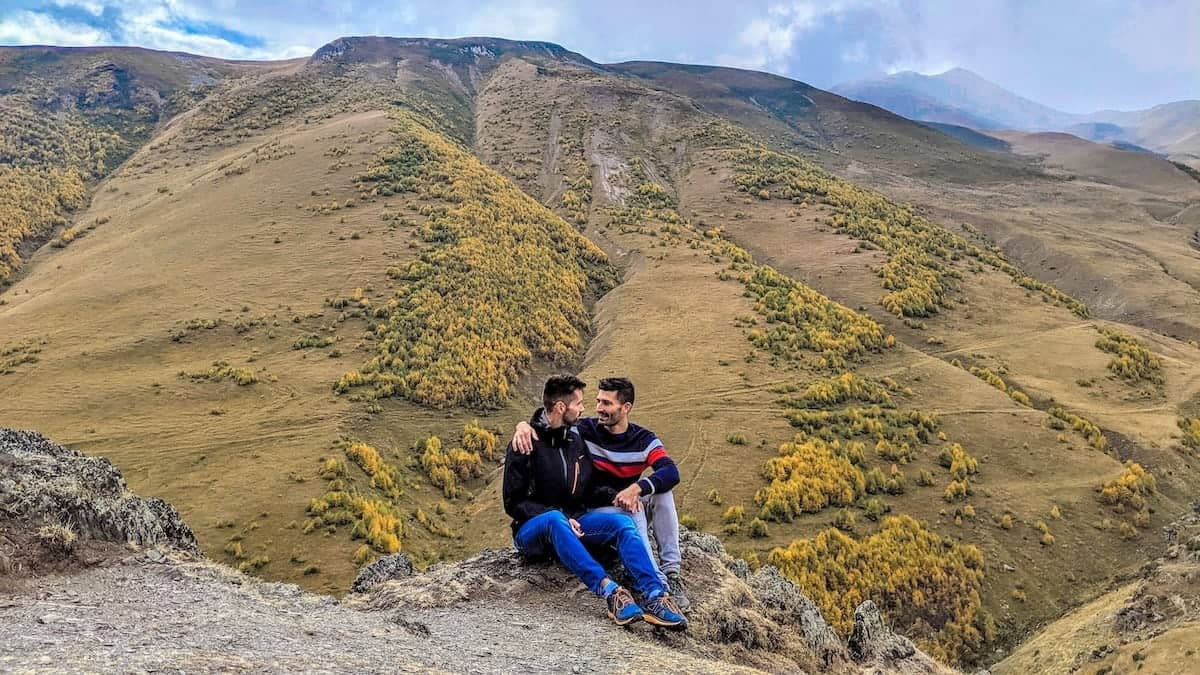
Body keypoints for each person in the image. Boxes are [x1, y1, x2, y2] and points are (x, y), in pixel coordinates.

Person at [502, 375, 687, 629]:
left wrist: (619, 496)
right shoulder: (526, 443)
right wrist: (523, 425)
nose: (585, 409)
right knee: (555, 519)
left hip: (575, 520)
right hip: (534, 529)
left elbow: (589, 486)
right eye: (579, 403)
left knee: (622, 522)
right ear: (561, 408)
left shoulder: (575, 439)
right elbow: (513, 503)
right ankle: (611, 592)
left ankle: (655, 593)